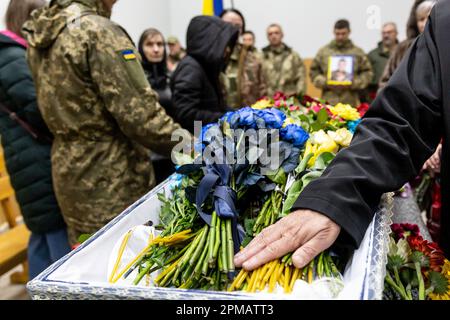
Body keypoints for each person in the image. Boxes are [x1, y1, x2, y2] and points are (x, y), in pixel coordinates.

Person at [235, 0, 450, 272]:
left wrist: (352, 82)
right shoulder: (446, 22)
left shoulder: (359, 53)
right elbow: (399, 122)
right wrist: (333, 197)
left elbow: (369, 78)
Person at [23, 0, 190, 245]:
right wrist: (196, 147)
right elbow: (142, 118)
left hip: (69, 171)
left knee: (87, 261)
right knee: (126, 263)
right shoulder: (100, 33)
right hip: (112, 177)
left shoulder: (45, 30)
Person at [0, 0, 70, 279]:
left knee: (42, 237)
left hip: (29, 158)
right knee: (54, 239)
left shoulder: (14, 52)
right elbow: (39, 109)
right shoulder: (12, 56)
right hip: (36, 162)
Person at [171, 16, 239, 133]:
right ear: (208, 42)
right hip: (194, 142)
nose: (228, 50)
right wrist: (226, 119)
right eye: (222, 44)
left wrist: (239, 114)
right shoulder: (191, 68)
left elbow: (215, 106)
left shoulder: (205, 66)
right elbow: (186, 114)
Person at [138, 28, 176, 184]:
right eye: (150, 44)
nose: (156, 49)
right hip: (147, 154)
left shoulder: (171, 77)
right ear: (141, 48)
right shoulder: (138, 78)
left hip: (172, 147)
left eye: (160, 44)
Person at [310, 19, 373, 106]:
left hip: (350, 102)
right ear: (333, 32)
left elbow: (367, 73)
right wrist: (326, 82)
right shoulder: (323, 52)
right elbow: (313, 72)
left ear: (349, 32)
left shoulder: (358, 52)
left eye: (343, 34)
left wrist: (353, 83)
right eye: (337, 34)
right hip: (328, 102)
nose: (340, 37)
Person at [379, 1, 433, 89]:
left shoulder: (445, 47)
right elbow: (386, 83)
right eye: (421, 19)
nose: (424, 24)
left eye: (429, 18)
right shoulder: (403, 49)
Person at [220, 9, 267, 108]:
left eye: (237, 26)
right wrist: (197, 124)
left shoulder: (253, 58)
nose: (233, 28)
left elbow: (263, 94)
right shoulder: (209, 57)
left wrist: (262, 123)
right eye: (228, 24)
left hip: (247, 120)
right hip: (214, 121)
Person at [262, 24, 306, 97]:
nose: (273, 36)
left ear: (282, 35)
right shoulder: (261, 56)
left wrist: (299, 97)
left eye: (276, 33)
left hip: (289, 100)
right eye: (270, 34)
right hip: (267, 101)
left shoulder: (293, 55)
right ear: (267, 37)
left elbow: (301, 78)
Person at [367, 22, 399, 94]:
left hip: (400, 93)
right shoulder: (372, 55)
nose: (386, 35)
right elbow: (367, 76)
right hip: (378, 94)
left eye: (389, 32)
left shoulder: (404, 52)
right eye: (383, 33)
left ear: (396, 33)